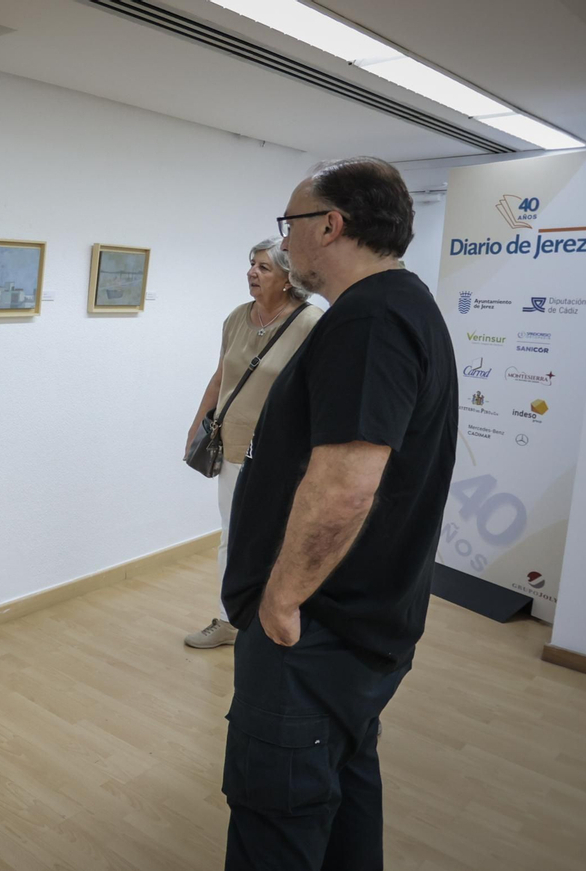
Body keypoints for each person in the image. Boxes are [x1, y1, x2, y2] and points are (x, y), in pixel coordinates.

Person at [219, 157, 457, 870]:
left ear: (332, 225)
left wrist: (284, 600)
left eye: (290, 225)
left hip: (315, 635)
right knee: (345, 785)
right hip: (363, 626)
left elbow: (348, 485)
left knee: (278, 817)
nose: (283, 243)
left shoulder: (369, 320)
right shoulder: (403, 305)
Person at [184, 239, 322, 649]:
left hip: (281, 453)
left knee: (280, 539)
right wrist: (197, 427)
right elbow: (220, 376)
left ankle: (276, 618)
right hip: (231, 446)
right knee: (233, 535)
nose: (252, 273)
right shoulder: (236, 318)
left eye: (263, 267)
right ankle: (230, 620)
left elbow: (317, 393)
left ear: (288, 277)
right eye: (251, 265)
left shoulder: (310, 323)